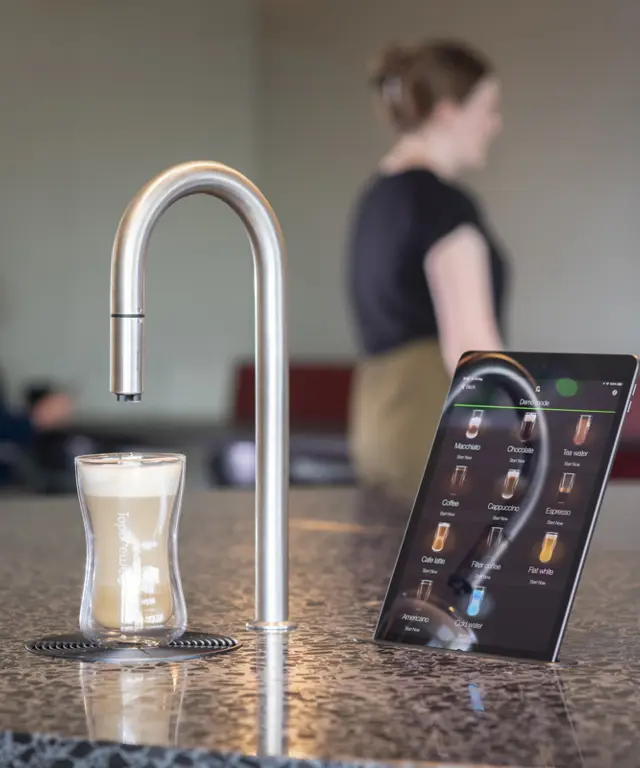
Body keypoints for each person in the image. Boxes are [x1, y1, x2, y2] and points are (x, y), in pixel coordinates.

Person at [347, 39, 507, 500]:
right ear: (447, 112)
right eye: (487, 108)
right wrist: (526, 438)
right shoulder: (442, 205)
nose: (495, 124)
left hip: (377, 424)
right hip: (431, 425)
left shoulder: (378, 197)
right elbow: (471, 347)